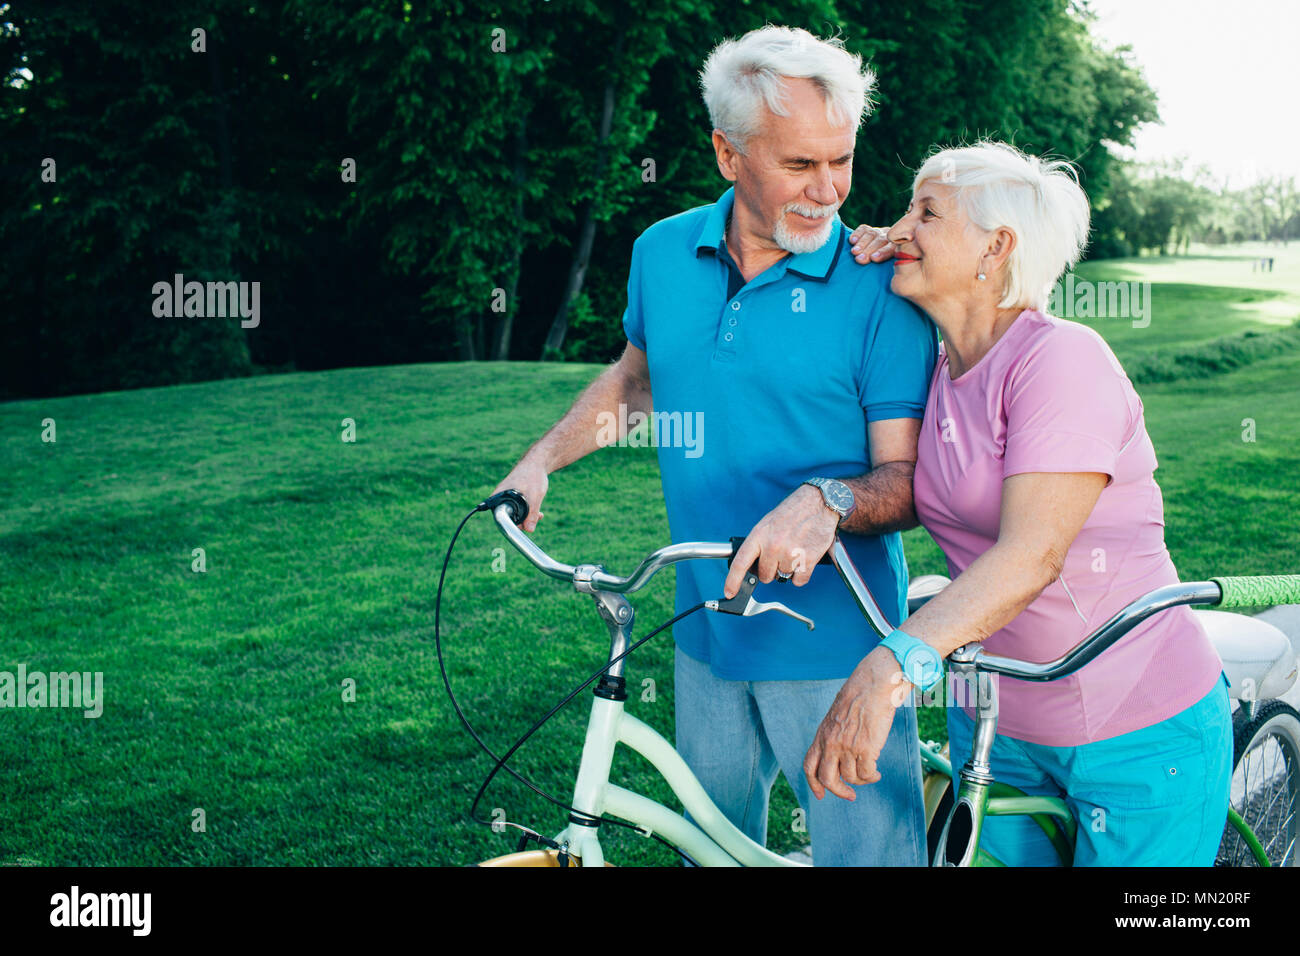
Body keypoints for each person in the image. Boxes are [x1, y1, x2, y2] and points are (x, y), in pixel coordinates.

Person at [491, 25, 937, 865]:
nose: (830, 190)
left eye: (840, 160)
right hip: (701, 629)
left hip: (838, 648)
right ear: (728, 155)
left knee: (870, 860)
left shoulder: (881, 288)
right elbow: (635, 382)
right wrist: (538, 461)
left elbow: (908, 482)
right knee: (717, 856)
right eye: (800, 165)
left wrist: (828, 500)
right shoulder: (661, 252)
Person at [803, 141, 1233, 865]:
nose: (900, 226)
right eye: (906, 210)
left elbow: (1033, 554)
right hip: (998, 725)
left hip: (1137, 727)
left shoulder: (1061, 359)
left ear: (995, 247)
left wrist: (891, 666)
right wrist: (863, 252)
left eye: (927, 212)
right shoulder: (936, 366)